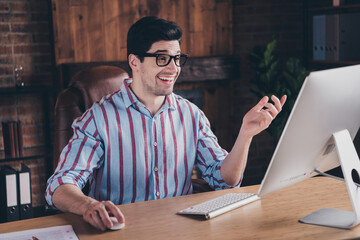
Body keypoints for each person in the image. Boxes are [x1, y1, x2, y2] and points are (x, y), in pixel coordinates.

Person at [45, 16, 286, 231]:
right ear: (134, 62)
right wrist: (88, 205)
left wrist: (245, 135)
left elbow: (224, 179)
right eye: (162, 58)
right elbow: (60, 184)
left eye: (178, 58)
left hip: (181, 229)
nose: (174, 68)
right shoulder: (98, 119)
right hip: (122, 231)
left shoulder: (191, 114)